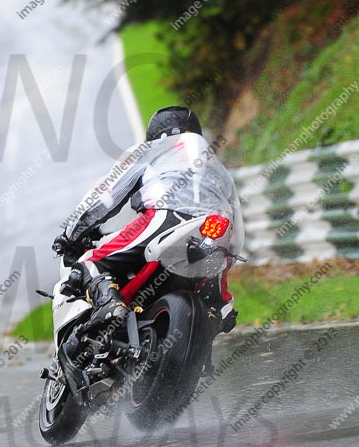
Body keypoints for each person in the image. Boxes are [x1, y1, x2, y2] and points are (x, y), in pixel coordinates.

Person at [52, 106, 245, 333]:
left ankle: (109, 303)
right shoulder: (219, 169)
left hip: (167, 217)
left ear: (155, 134)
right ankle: (216, 311)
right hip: (213, 233)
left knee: (90, 261)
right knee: (217, 286)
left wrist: (71, 233)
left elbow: (107, 195)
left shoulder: (151, 149)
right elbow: (237, 232)